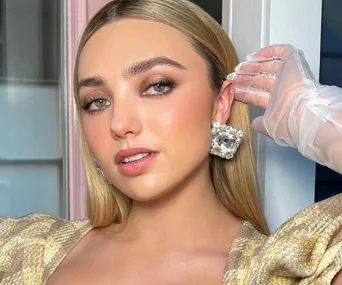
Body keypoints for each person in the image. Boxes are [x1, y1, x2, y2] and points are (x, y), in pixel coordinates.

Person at [0, 0, 341, 284]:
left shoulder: (290, 271)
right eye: (96, 102)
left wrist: (320, 121)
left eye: (157, 85)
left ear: (220, 104)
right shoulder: (22, 249)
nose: (119, 124)